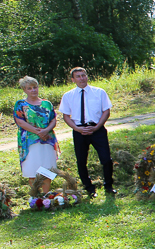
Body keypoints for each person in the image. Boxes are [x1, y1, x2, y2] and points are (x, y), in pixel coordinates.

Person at [59, 67, 115, 197]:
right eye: (78, 76)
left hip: (97, 129)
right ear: (73, 79)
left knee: (106, 159)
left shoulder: (99, 92)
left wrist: (96, 127)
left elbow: (106, 111)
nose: (81, 78)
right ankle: (89, 188)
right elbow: (66, 116)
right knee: (81, 161)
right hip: (79, 130)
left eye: (83, 75)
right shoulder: (68, 96)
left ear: (87, 76)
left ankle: (109, 186)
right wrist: (77, 129)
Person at [13, 76, 58, 188]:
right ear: (24, 90)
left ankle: (47, 197)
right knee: (32, 168)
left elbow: (53, 119)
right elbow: (20, 121)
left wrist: (46, 130)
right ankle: (35, 197)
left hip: (47, 139)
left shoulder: (47, 103)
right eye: (29, 88)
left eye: (35, 87)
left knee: (47, 168)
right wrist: (38, 132)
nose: (33, 90)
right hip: (30, 141)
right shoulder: (20, 104)